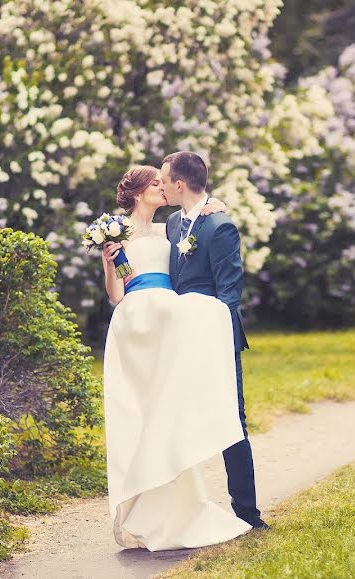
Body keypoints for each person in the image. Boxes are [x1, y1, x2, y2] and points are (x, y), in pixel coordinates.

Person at [101, 164, 252, 551]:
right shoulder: (116, 231)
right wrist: (108, 262)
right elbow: (117, 294)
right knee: (144, 412)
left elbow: (196, 223)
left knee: (169, 413)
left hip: (172, 319)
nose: (162, 188)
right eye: (155, 184)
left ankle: (190, 506)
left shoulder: (171, 226)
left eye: (164, 182)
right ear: (138, 192)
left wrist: (212, 205)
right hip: (139, 322)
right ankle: (143, 504)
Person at [160, 151, 268, 530]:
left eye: (163, 178)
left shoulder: (220, 226)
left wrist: (212, 338)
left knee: (231, 422)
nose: (159, 184)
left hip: (216, 338)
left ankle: (247, 513)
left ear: (178, 183)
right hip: (180, 338)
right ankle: (180, 513)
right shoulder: (173, 222)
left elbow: (229, 293)